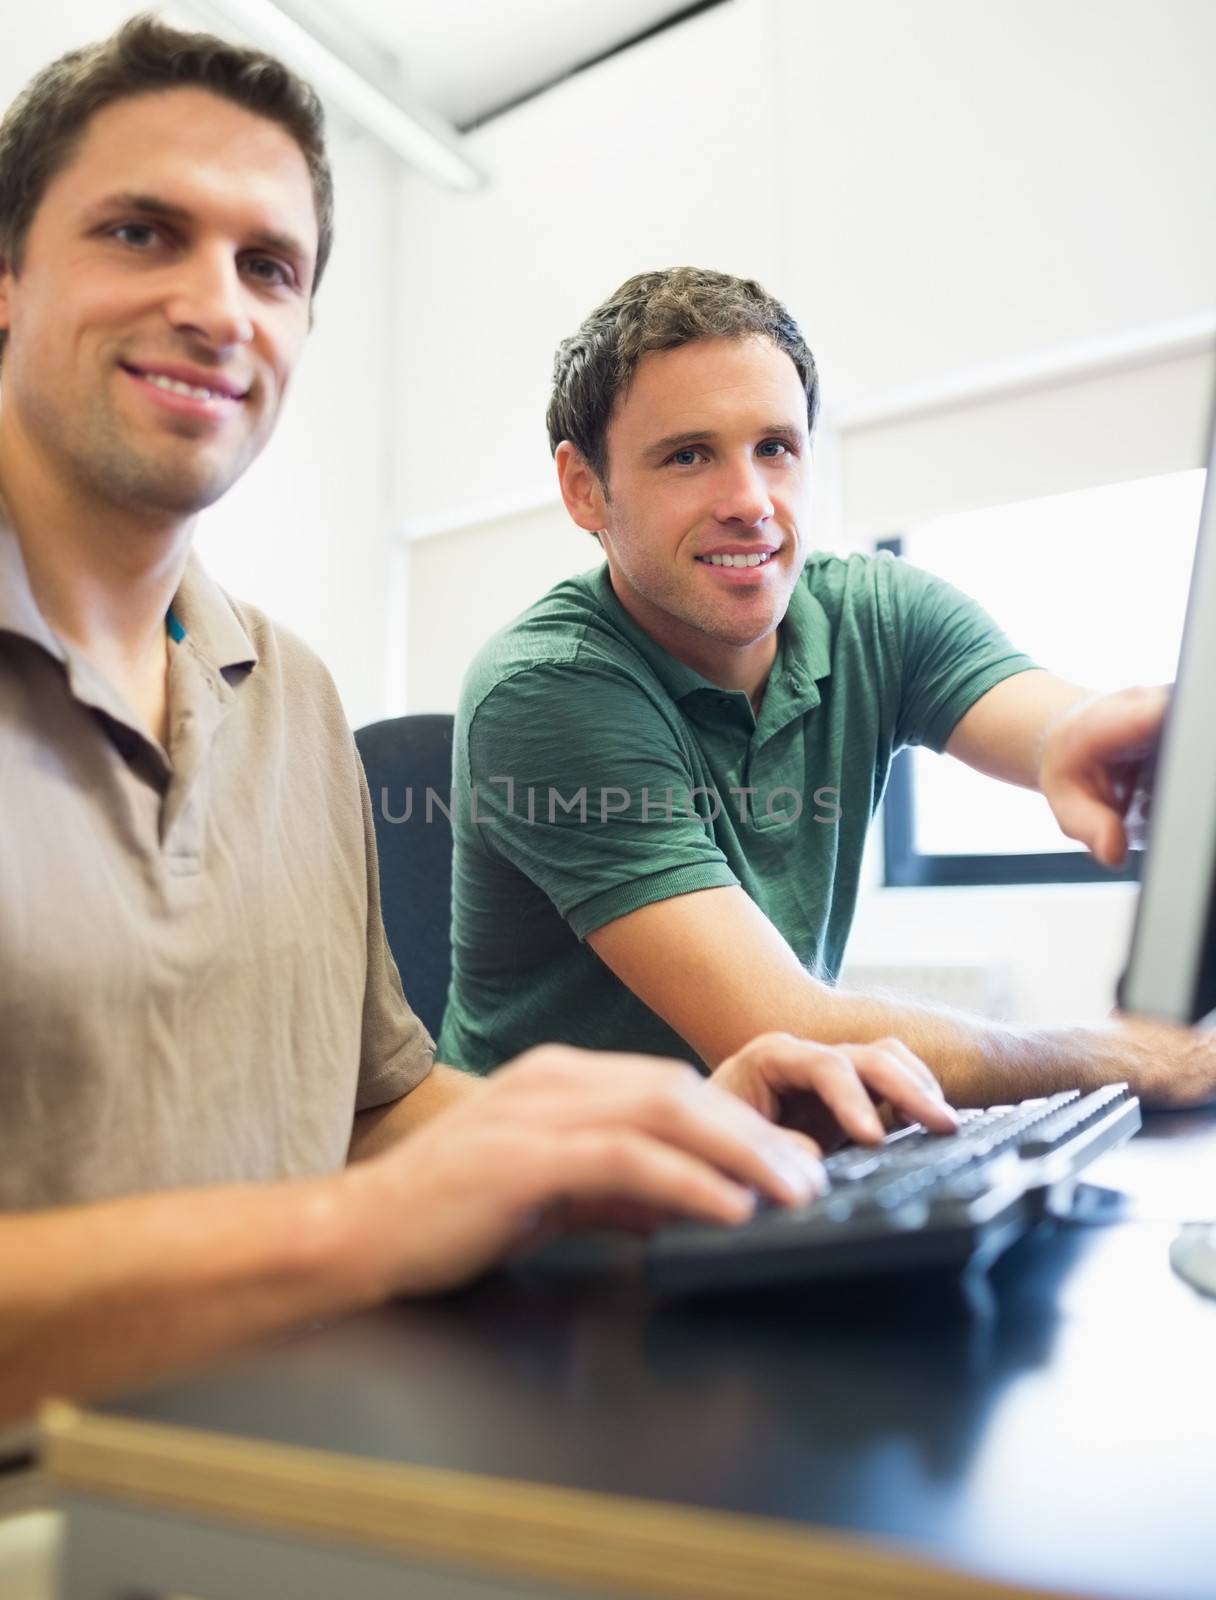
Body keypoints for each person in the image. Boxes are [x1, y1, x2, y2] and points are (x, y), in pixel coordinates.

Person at [0, 23, 959, 1427]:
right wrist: (357, 1237)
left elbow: (377, 1109)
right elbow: (365, 1203)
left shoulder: (291, 696)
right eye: (142, 233)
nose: (218, 307)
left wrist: (645, 1123)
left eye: (269, 266)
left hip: (295, 1436)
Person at [438, 268, 1205, 1107]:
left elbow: (1059, 728)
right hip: (556, 1209)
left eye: (775, 447)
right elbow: (785, 1029)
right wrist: (1125, 1055)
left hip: (762, 1163)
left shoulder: (875, 613)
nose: (750, 502)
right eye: (688, 456)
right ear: (585, 488)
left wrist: (1087, 746)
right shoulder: (548, 687)